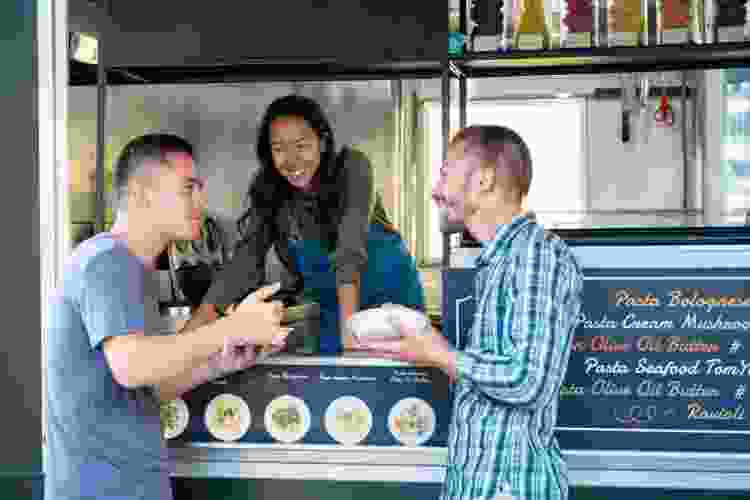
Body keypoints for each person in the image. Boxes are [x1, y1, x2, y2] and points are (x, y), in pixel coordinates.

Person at [45, 133, 290, 500]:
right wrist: (232, 326)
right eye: (188, 188)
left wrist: (217, 365)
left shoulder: (127, 268)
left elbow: (141, 388)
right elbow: (132, 367)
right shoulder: (109, 263)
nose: (201, 201)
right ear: (142, 194)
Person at [355, 125, 584, 500]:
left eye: (445, 174)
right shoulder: (499, 262)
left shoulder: (535, 255)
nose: (434, 191)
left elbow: (528, 381)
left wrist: (437, 352)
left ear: (483, 180)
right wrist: (427, 349)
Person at [187, 94, 425, 354]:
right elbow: (243, 264)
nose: (290, 161)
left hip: (389, 306)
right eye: (278, 149)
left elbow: (349, 249)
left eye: (301, 146)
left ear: (322, 142)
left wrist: (350, 337)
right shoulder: (270, 190)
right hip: (332, 311)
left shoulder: (352, 168)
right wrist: (190, 336)